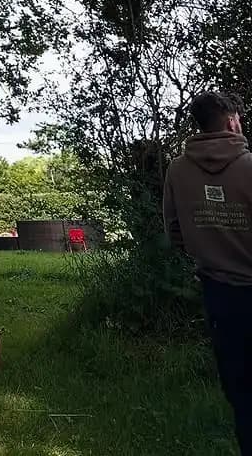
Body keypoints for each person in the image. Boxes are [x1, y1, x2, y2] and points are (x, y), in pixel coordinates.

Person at [163, 91, 252, 456]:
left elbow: (175, 231)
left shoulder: (177, 170)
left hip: (218, 293)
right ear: (232, 120)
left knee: (242, 392)